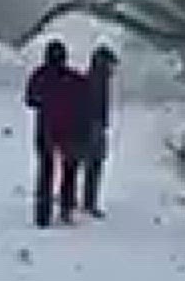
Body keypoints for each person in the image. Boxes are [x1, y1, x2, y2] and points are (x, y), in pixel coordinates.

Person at [22, 39, 86, 228]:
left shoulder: (39, 75)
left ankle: (43, 214)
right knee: (69, 170)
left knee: (45, 172)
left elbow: (30, 100)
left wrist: (45, 101)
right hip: (69, 130)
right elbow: (86, 96)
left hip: (46, 129)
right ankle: (66, 209)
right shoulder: (73, 78)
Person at [78, 45, 118, 219]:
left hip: (93, 125)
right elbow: (96, 104)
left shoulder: (95, 78)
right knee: (94, 163)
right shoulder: (98, 80)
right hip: (94, 125)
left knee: (90, 163)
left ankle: (84, 199)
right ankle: (89, 201)